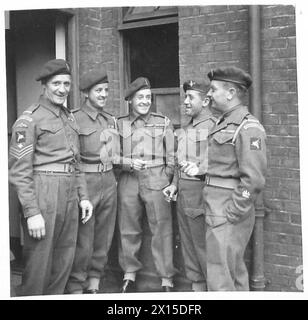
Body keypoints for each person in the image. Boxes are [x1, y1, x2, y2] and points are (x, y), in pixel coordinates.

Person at [8, 59, 93, 296]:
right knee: (40, 263)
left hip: (68, 194)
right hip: (44, 192)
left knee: (64, 260)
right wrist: (32, 212)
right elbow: (19, 172)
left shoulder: (68, 117)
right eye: (56, 83)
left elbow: (76, 162)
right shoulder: (29, 119)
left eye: (66, 84)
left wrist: (83, 197)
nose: (62, 89)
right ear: (44, 86)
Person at [185, 66, 267, 291]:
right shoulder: (223, 122)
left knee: (220, 279)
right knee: (232, 273)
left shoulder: (247, 127)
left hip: (227, 209)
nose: (209, 94)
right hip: (217, 205)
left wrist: (234, 210)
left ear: (230, 93)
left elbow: (254, 179)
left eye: (213, 89)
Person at [115, 77, 176, 292]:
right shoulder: (119, 123)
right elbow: (113, 157)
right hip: (129, 179)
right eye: (140, 97)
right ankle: (129, 274)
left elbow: (172, 156)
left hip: (157, 178)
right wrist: (128, 163)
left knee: (162, 228)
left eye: (148, 97)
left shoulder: (163, 121)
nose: (145, 101)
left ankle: (166, 278)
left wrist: (165, 177)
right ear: (130, 100)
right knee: (128, 228)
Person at [65, 66, 118, 294]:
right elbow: (73, 158)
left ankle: (94, 280)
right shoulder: (74, 119)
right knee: (84, 238)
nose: (104, 95)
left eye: (106, 90)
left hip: (109, 179)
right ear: (86, 93)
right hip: (86, 181)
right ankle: (77, 284)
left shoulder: (110, 119)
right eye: (98, 91)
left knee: (104, 236)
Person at [163, 79, 217, 291]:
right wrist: (174, 186)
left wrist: (200, 169)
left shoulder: (213, 127)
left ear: (205, 101)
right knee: (189, 249)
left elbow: (216, 162)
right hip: (184, 197)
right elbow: (179, 162)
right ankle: (197, 290)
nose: (185, 102)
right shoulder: (186, 128)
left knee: (204, 250)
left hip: (201, 196)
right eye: (185, 97)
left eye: (190, 97)